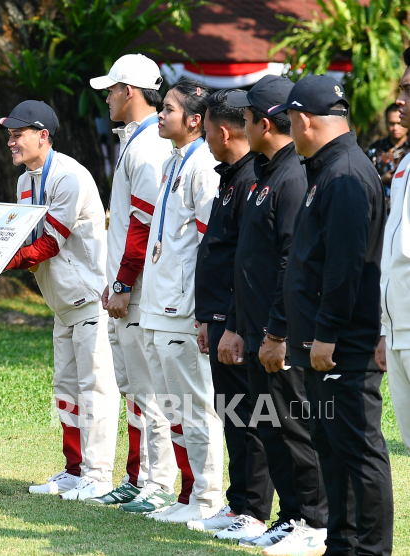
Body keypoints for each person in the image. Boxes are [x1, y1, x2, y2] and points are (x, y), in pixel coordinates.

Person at [0, 100, 119, 501]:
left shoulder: (70, 177)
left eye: (17, 134)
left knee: (95, 388)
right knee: (66, 388)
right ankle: (75, 470)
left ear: (43, 135)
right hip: (60, 301)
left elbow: (47, 245)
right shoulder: (26, 180)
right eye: (8, 134)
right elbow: (19, 239)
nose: (10, 142)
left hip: (90, 298)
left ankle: (98, 475)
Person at [269, 75, 393, 556]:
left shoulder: (343, 173)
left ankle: (368, 548)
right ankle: (342, 543)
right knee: (332, 448)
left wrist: (326, 335)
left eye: (290, 121)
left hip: (341, 344)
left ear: (302, 120)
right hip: (321, 343)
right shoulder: (328, 167)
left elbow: (346, 267)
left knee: (357, 450)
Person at [221, 76, 329, 553]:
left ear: (266, 123)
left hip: (279, 332)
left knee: (294, 428)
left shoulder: (291, 176)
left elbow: (292, 260)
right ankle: (291, 514)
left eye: (246, 118)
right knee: (270, 426)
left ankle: (314, 520)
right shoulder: (265, 174)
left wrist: (276, 331)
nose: (242, 125)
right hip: (256, 329)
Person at [83, 54, 177, 511]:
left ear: (131, 92)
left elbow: (141, 224)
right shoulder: (137, 142)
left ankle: (158, 483)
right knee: (136, 390)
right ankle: (141, 477)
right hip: (129, 287)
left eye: (112, 88)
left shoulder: (148, 146)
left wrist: (122, 284)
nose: (107, 96)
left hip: (139, 291)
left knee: (151, 391)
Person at [138, 78, 224, 523]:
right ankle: (188, 493)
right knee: (172, 406)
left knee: (194, 406)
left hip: (182, 309)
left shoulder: (203, 166)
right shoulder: (174, 161)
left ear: (195, 119)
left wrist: (204, 311)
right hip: (157, 304)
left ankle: (207, 498)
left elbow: (211, 244)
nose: (159, 114)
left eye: (168, 109)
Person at [190, 89, 273, 540]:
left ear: (223, 131)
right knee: (234, 413)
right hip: (221, 317)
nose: (203, 140)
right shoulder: (232, 177)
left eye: (204, 132)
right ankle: (239, 500)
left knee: (250, 415)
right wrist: (208, 317)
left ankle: (255, 509)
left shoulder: (251, 181)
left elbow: (248, 259)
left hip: (239, 320)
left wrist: (233, 324)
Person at [378, 48, 410, 459]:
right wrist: (386, 329)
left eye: (409, 90)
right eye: (402, 87)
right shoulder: (403, 164)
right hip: (400, 327)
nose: (400, 99)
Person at [367, 103, 408, 209]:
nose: (395, 128)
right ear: (385, 123)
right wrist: (382, 179)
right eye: (391, 123)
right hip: (381, 211)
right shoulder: (375, 148)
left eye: (399, 123)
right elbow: (364, 181)